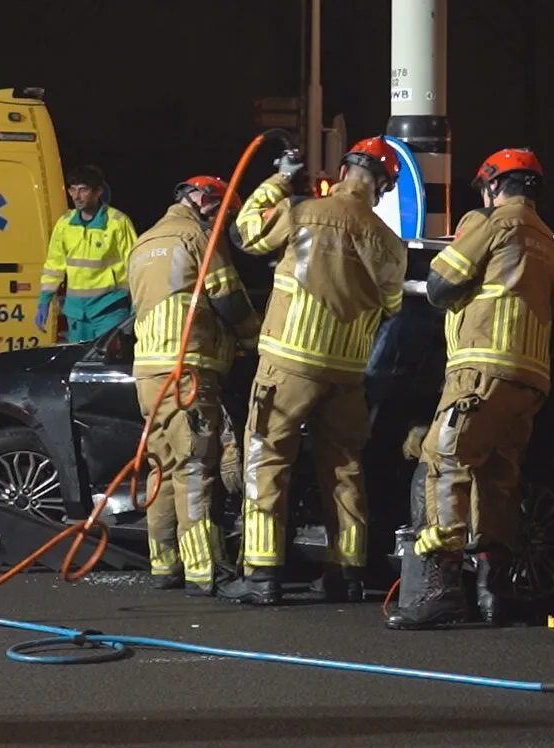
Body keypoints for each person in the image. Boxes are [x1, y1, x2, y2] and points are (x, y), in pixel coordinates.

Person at [217, 138, 408, 605]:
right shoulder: (389, 242)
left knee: (267, 458)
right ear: (382, 187)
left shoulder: (303, 212)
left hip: (288, 359)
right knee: (344, 467)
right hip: (346, 370)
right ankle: (345, 573)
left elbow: (246, 233)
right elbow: (393, 305)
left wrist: (281, 178)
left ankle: (262, 576)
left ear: (344, 170)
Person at [385, 147, 554, 631]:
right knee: (497, 478)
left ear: (492, 184)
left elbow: (442, 284)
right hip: (529, 378)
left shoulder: (495, 223)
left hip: (481, 369)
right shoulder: (547, 240)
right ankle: (495, 594)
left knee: (444, 463)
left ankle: (437, 592)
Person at [128, 175, 261, 594]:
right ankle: (207, 571)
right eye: (225, 213)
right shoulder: (197, 237)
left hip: (148, 373)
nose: (225, 224)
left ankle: (165, 564)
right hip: (188, 370)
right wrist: (256, 340)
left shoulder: (143, 242)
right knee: (195, 468)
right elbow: (228, 297)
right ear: (205, 201)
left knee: (162, 467)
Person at [36, 165, 139, 343]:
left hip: (109, 308)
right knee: (79, 364)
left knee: (107, 365)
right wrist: (44, 300)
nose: (76, 196)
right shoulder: (65, 224)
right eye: (73, 190)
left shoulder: (117, 223)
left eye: (83, 190)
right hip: (76, 312)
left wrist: (137, 303)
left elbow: (135, 265)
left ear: (98, 191)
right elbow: (54, 265)